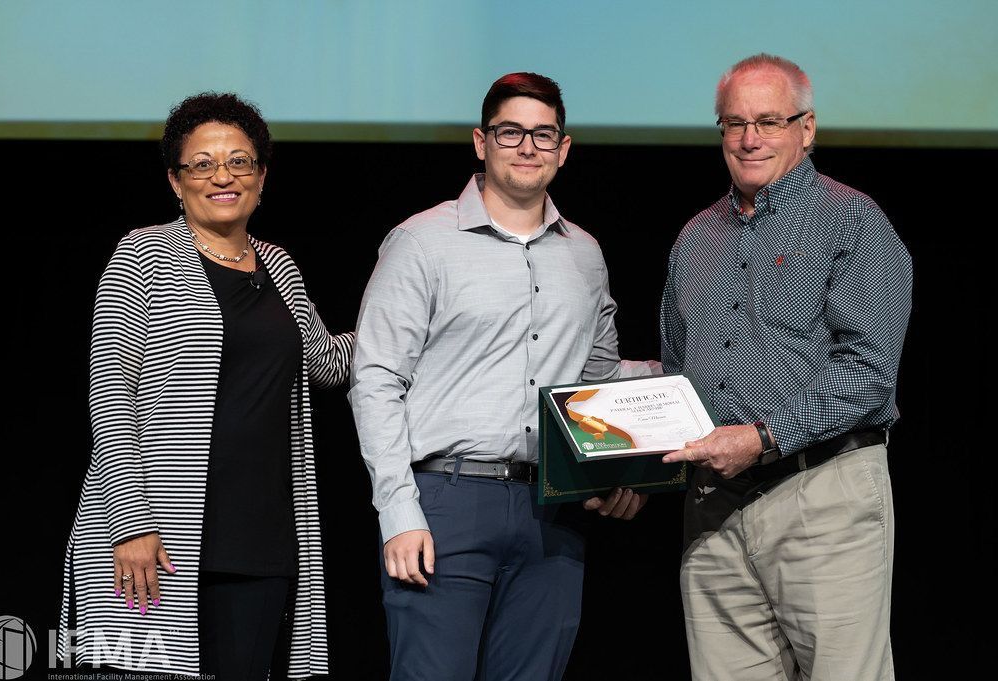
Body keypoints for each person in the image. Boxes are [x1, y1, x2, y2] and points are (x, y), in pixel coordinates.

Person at [349, 72, 658, 680]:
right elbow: (377, 379)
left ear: (563, 149)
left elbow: (595, 379)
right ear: (480, 142)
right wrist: (399, 512)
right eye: (510, 131)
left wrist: (624, 460)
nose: (527, 146)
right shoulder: (422, 242)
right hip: (444, 501)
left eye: (543, 134)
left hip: (553, 512)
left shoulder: (584, 253)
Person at [57, 92, 354, 679]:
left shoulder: (279, 265)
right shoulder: (140, 255)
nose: (223, 176)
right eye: (202, 164)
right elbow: (111, 400)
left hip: (263, 539)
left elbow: (326, 360)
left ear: (262, 176)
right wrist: (129, 526)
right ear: (176, 179)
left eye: (240, 162)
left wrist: (417, 325)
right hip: (156, 539)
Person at [660, 54, 912, 680]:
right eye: (734, 123)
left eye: (769, 120)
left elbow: (868, 372)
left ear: (808, 128)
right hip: (713, 510)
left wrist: (764, 437)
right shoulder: (695, 240)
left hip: (822, 497)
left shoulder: (852, 221)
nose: (750, 139)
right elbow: (675, 376)